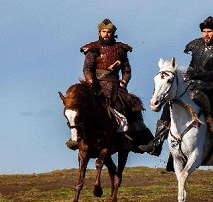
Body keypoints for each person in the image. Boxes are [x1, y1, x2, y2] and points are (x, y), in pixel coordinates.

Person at [139, 16, 213, 164]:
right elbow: (192, 65)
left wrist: (195, 74)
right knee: (170, 104)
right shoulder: (195, 45)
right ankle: (156, 142)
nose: (206, 34)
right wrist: (187, 76)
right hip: (192, 86)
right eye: (204, 31)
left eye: (210, 31)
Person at [65, 18, 152, 151]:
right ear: (99, 33)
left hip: (116, 86)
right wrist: (90, 80)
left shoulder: (120, 49)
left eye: (109, 32)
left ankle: (137, 140)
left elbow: (127, 69)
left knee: (132, 104)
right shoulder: (93, 49)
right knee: (79, 107)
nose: (106, 34)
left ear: (113, 33)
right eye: (104, 31)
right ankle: (76, 138)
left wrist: (124, 81)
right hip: (96, 86)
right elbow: (87, 68)